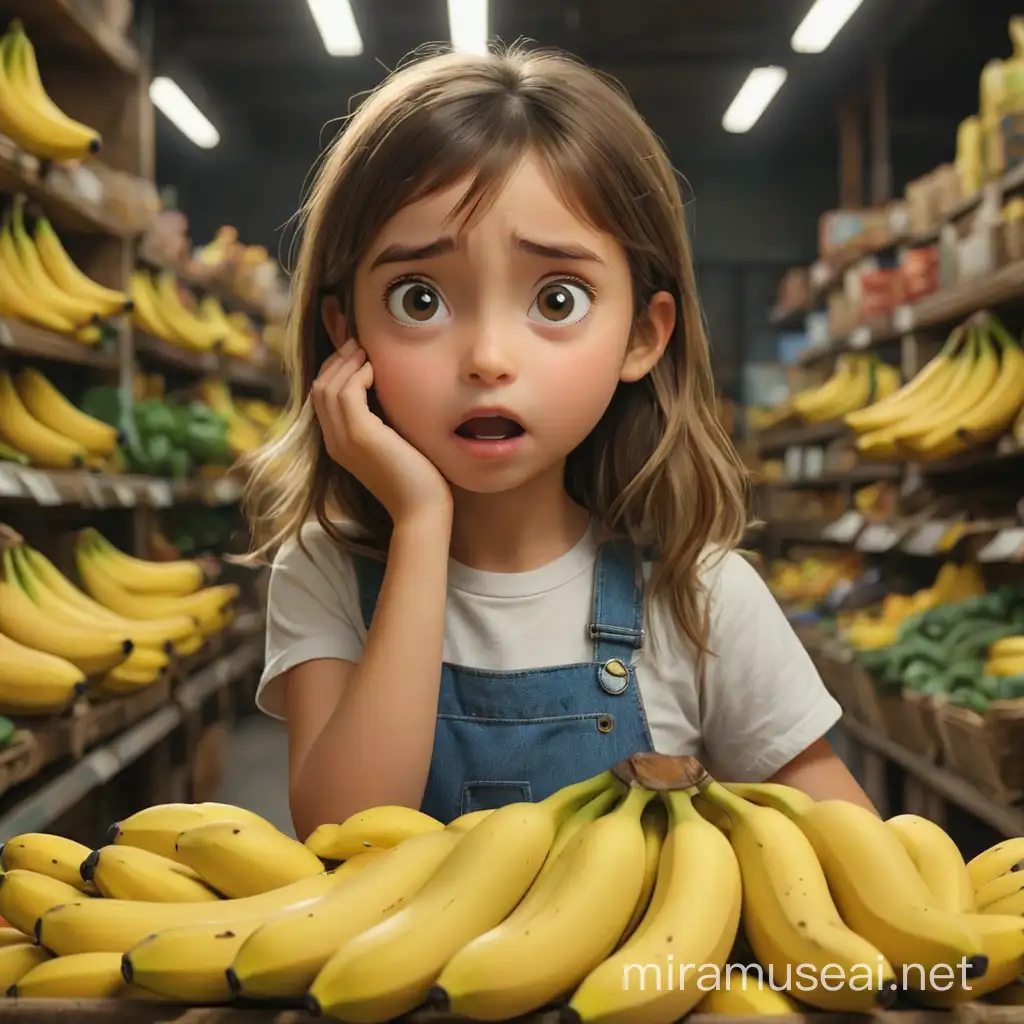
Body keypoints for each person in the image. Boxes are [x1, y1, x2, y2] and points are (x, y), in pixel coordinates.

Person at [243, 42, 873, 840]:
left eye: (558, 297)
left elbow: (852, 854)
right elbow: (345, 830)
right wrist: (421, 522)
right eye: (419, 298)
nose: (488, 359)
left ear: (643, 337)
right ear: (346, 335)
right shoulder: (325, 574)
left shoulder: (698, 597)